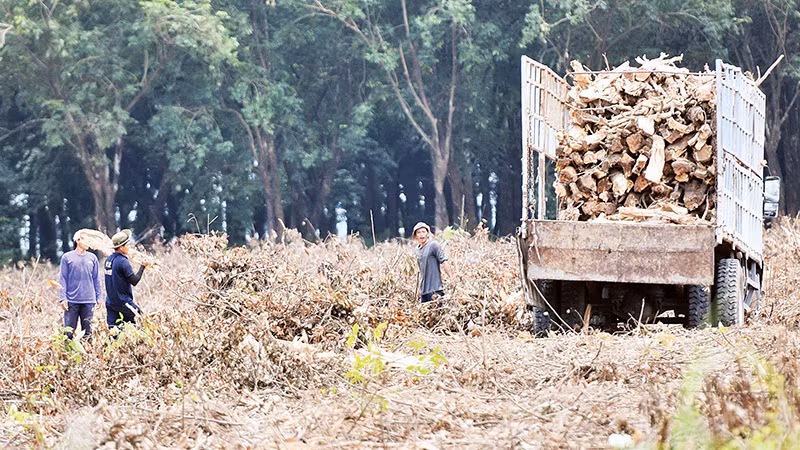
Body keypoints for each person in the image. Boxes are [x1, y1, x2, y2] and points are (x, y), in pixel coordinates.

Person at [58, 230, 103, 340]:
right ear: (78, 241)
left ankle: (87, 355)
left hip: (89, 301)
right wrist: (62, 298)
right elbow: (62, 278)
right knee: (69, 331)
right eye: (86, 240)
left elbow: (96, 278)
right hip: (72, 300)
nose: (88, 243)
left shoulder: (93, 258)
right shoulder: (67, 257)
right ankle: (67, 354)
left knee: (88, 332)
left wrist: (99, 297)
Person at [104, 229, 148, 329]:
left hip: (110, 302)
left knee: (114, 332)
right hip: (123, 302)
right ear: (121, 247)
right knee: (141, 322)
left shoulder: (108, 260)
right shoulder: (123, 261)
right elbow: (134, 281)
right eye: (127, 245)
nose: (129, 247)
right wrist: (143, 266)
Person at [412, 222, 453, 304]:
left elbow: (444, 260)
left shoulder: (433, 245)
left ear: (427, 233)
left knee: (437, 314)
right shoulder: (416, 250)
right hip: (423, 291)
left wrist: (451, 277)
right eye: (419, 232)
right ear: (415, 236)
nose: (421, 235)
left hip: (435, 290)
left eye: (423, 232)